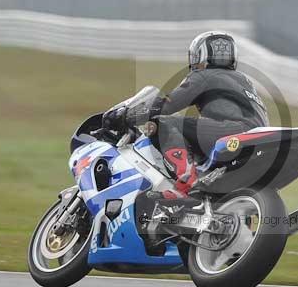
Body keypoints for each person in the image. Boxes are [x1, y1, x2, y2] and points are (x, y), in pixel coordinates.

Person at [106, 31, 269, 198]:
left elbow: (168, 105)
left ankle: (186, 178)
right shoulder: (244, 81)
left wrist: (129, 115)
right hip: (258, 136)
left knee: (163, 123)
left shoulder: (204, 75)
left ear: (198, 55)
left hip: (233, 131)